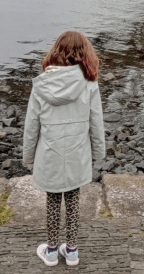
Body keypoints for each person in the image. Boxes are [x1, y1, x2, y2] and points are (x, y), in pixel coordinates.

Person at [23, 31, 105, 266]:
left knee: (52, 201)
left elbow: (32, 125)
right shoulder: (89, 84)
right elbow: (96, 122)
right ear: (85, 54)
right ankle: (72, 250)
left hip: (50, 153)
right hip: (77, 153)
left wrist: (29, 155)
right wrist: (98, 153)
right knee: (72, 200)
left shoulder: (41, 85)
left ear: (56, 51)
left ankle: (50, 251)